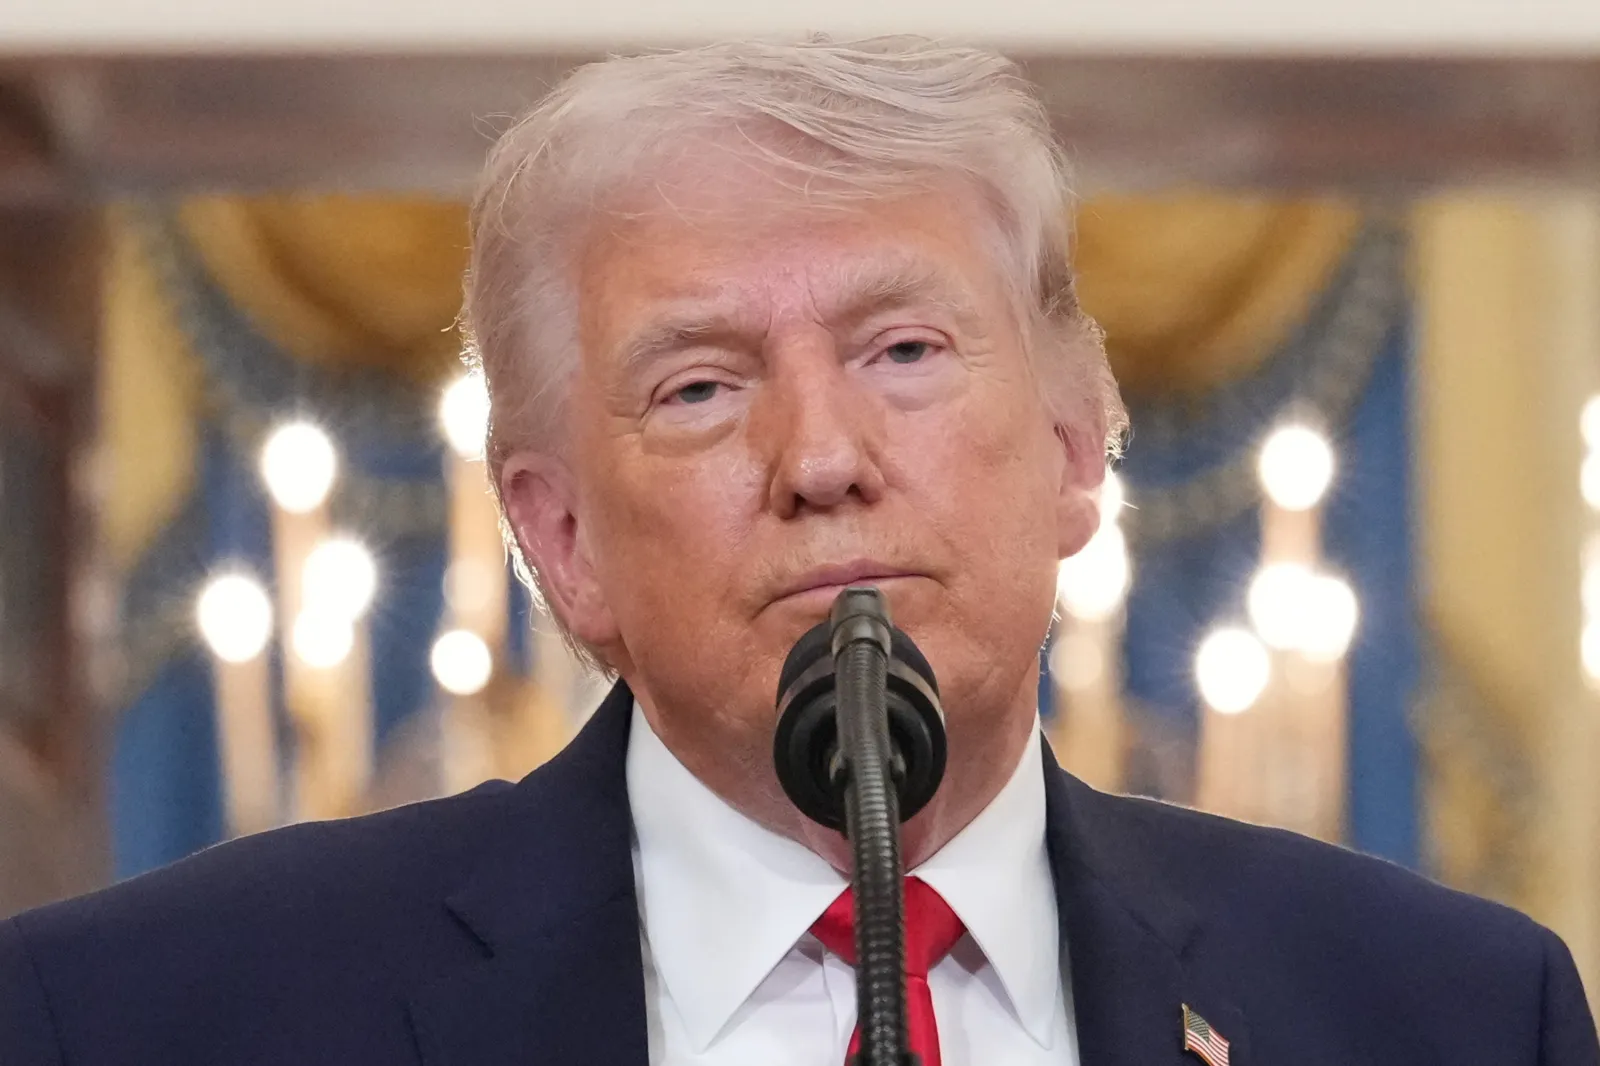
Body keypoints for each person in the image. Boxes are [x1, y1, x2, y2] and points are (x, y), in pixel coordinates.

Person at [1, 36, 1595, 1066]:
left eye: (905, 350)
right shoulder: (145, 1019)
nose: (822, 459)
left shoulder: (1449, 1015)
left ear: (1069, 449)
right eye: (700, 386)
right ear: (560, 538)